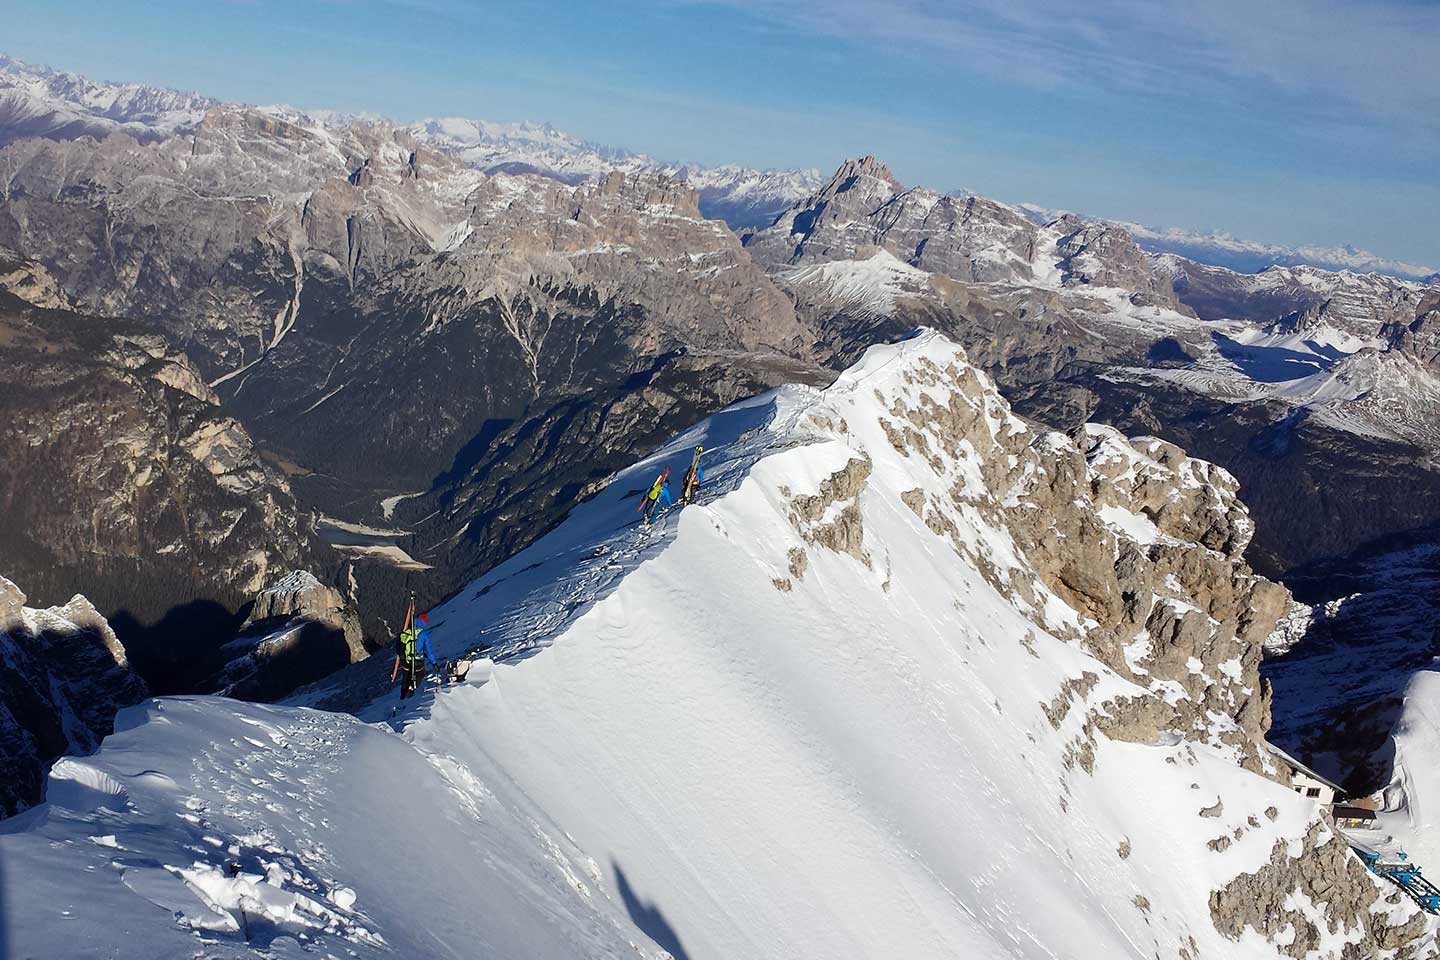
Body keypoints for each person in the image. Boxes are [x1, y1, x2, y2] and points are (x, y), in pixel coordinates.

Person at [391, 599, 439, 699]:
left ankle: (402, 696)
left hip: (405, 661)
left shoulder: (408, 630)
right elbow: (429, 651)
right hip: (417, 662)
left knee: (405, 677)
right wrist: (434, 663)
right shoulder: (423, 634)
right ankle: (412, 690)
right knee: (420, 674)